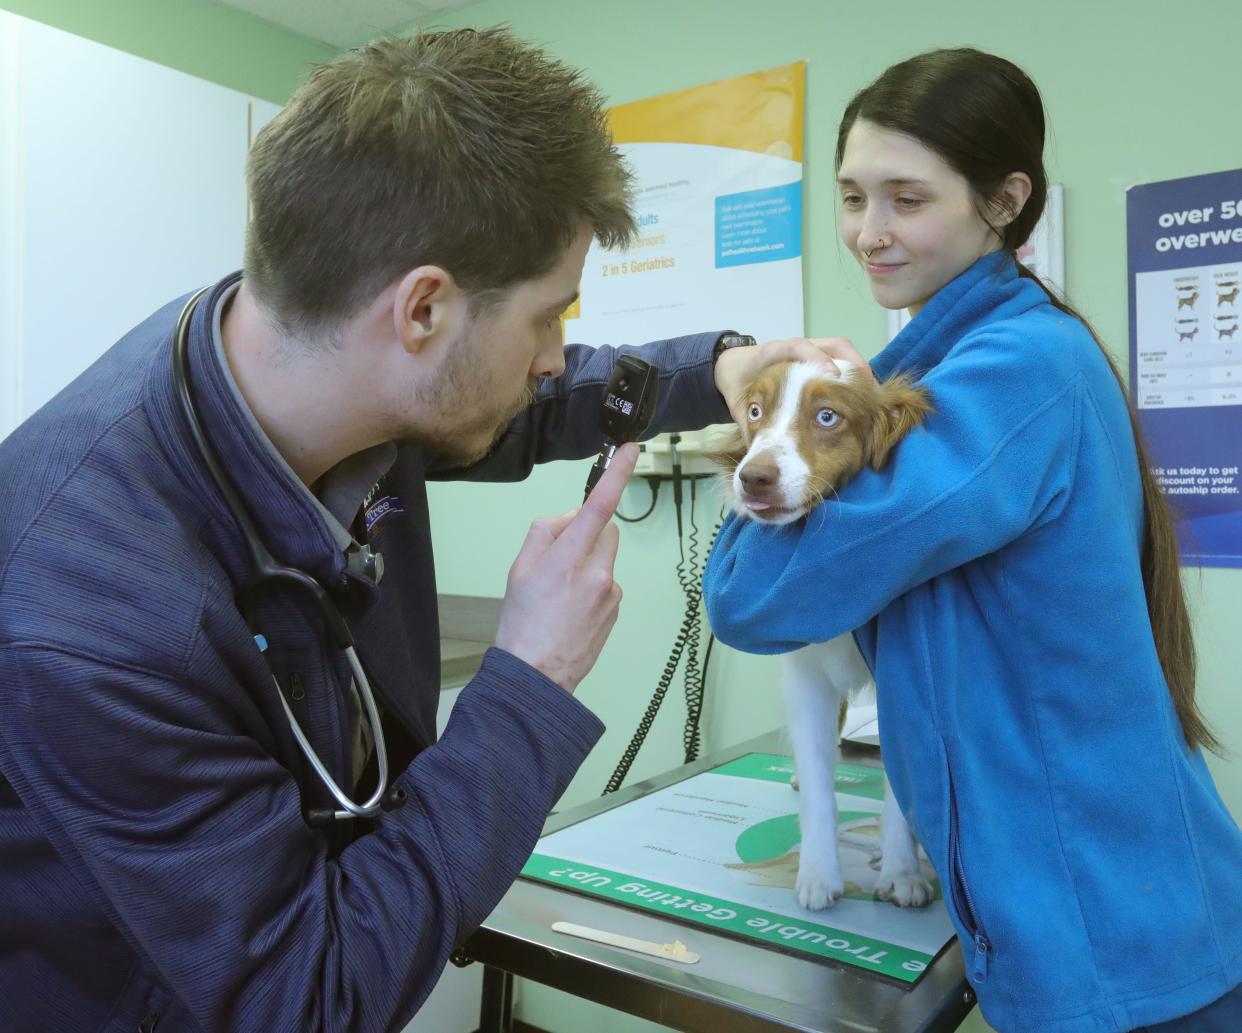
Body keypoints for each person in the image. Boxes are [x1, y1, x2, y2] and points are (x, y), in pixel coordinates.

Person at [0, 28, 836, 1033]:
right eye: (547, 316)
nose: (553, 354)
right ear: (424, 309)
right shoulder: (90, 616)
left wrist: (720, 370)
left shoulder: (300, 355)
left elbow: (521, 401)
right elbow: (310, 999)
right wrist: (530, 680)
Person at [703, 48, 1242, 1033]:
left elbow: (751, 600)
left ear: (1004, 201)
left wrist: (772, 426)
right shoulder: (961, 360)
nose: (870, 231)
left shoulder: (1007, 373)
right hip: (1104, 913)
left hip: (1112, 937)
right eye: (853, 196)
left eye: (908, 198)